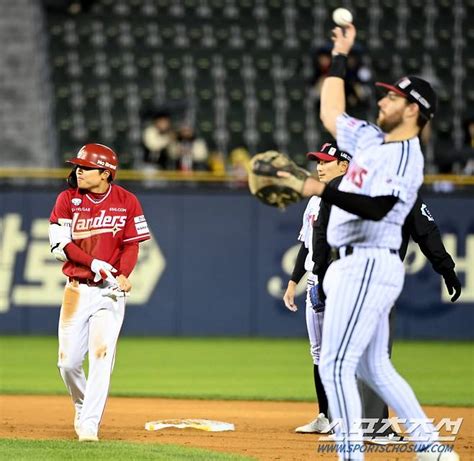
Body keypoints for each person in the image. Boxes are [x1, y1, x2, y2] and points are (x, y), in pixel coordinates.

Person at [285, 23, 459, 460]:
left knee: (335, 364)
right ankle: (434, 451)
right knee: (374, 367)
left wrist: (319, 189)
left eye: (393, 97)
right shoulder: (370, 140)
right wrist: (339, 56)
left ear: (415, 110)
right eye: (384, 94)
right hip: (349, 264)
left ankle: (350, 455)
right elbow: (330, 113)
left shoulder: (407, 158)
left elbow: (380, 209)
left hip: (368, 261)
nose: (383, 100)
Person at [48, 143, 151, 442]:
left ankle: (90, 425)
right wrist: (94, 262)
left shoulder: (127, 200)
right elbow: (60, 247)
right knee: (67, 363)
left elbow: (132, 243)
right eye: (77, 165)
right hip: (77, 289)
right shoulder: (67, 199)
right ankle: (82, 405)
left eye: (86, 166)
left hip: (109, 293)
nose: (79, 170)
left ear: (105, 173)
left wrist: (122, 274)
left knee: (101, 356)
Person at [283, 142, 351, 434]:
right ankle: (324, 416)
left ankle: (352, 417)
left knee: (346, 351)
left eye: (326, 162)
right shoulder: (314, 200)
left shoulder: (352, 200)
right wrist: (292, 282)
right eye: (318, 162)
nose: (319, 167)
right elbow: (307, 245)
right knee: (320, 352)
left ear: (344, 166)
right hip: (315, 281)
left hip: (343, 281)